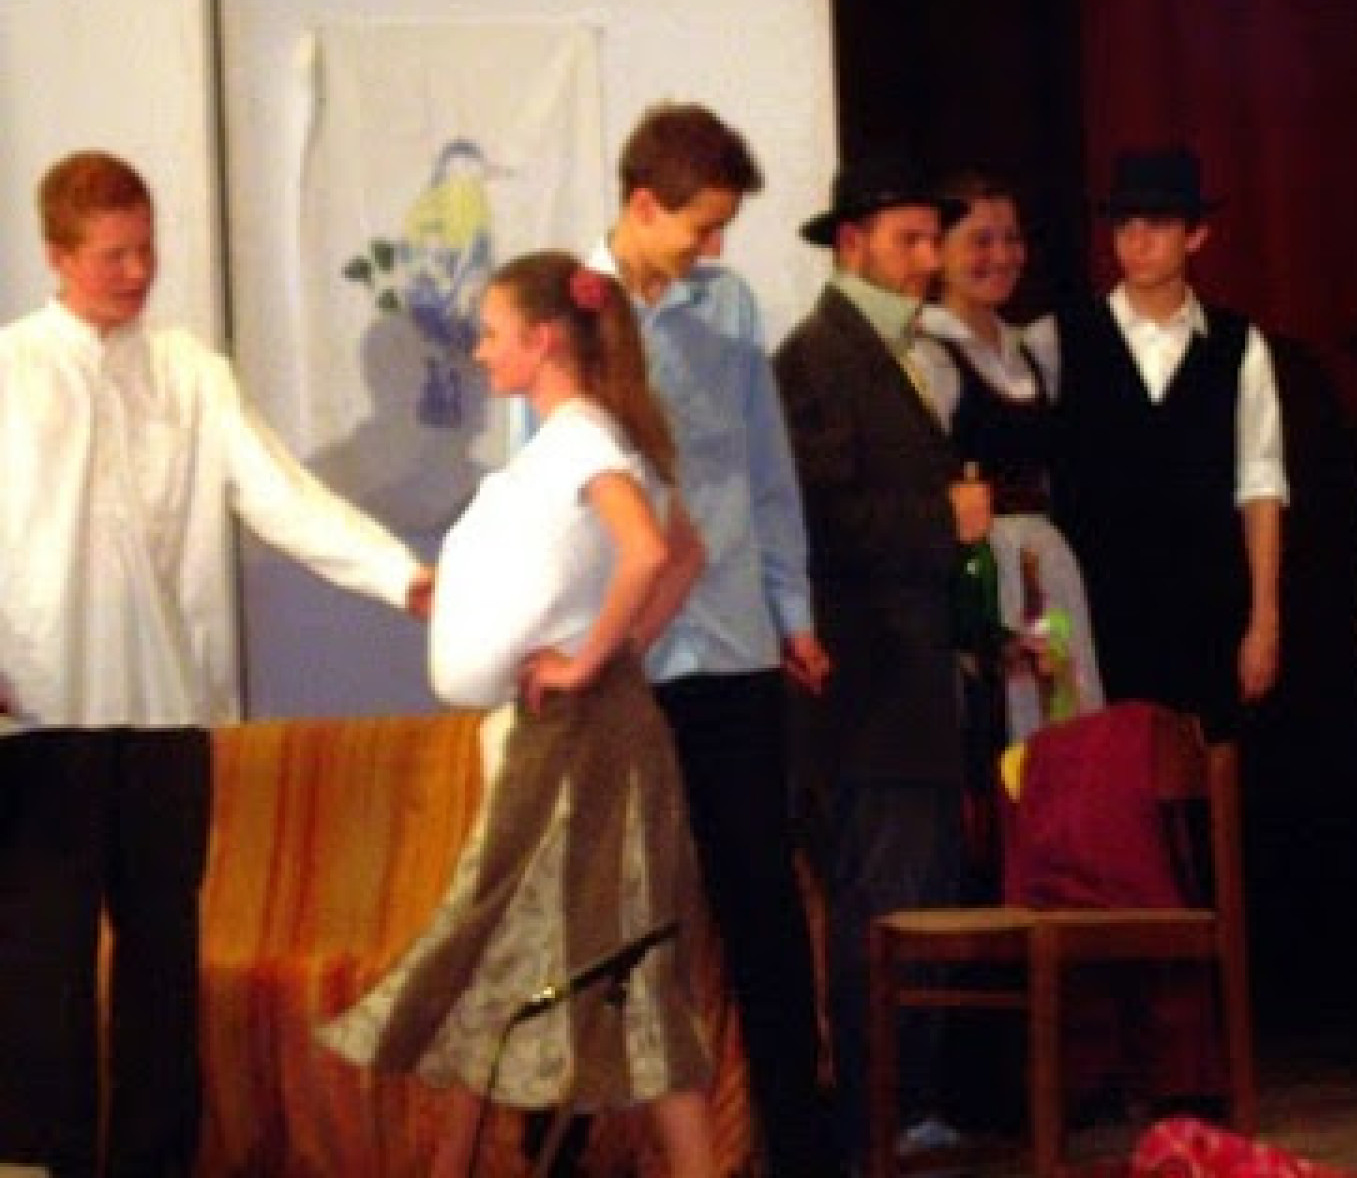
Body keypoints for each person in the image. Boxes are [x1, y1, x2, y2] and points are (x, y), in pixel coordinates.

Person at [0, 150, 431, 1178]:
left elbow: (280, 496)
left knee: (164, 962)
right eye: (112, 254)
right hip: (39, 711)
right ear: (57, 255)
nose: (136, 271)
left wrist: (401, 575)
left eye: (146, 249)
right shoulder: (10, 371)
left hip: (165, 711)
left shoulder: (193, 371)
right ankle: (44, 1164)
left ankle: (156, 1163)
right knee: (42, 968)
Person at [320, 252, 714, 1178]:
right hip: (574, 734)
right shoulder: (594, 438)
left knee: (591, 962)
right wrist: (615, 655)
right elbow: (683, 555)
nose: (480, 349)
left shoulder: (580, 440)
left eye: (492, 332)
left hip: (581, 743)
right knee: (515, 954)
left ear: (541, 342)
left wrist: (589, 663)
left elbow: (651, 551)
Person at [578, 103, 834, 1177]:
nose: (715, 245)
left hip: (729, 650)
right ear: (643, 205)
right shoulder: (570, 311)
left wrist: (793, 613)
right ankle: (594, 1151)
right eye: (702, 225)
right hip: (626, 663)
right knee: (616, 923)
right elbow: (551, 502)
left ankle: (801, 1150)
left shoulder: (728, 307)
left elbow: (766, 475)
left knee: (763, 911)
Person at [772, 154, 987, 1162]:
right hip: (867, 686)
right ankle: (875, 1117)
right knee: (882, 902)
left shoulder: (899, 351)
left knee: (920, 895)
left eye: (932, 239)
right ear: (851, 243)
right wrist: (945, 519)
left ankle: (909, 1105)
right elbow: (821, 518)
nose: (927, 258)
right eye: (909, 239)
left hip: (911, 678)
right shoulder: (816, 359)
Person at [1051, 145, 1286, 738]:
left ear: (1196, 235)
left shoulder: (1238, 344)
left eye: (1156, 224)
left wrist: (1263, 619)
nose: (1137, 241)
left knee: (1211, 767)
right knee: (1108, 770)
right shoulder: (1062, 338)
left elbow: (1260, 485)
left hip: (1207, 603)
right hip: (1098, 606)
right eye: (1124, 225)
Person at [913, 169, 1106, 744]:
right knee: (1007, 728)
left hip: (1045, 563)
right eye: (981, 241)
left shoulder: (1033, 349)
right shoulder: (927, 354)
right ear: (939, 252)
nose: (1001, 256)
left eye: (1011, 239)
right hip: (983, 570)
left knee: (1062, 717)